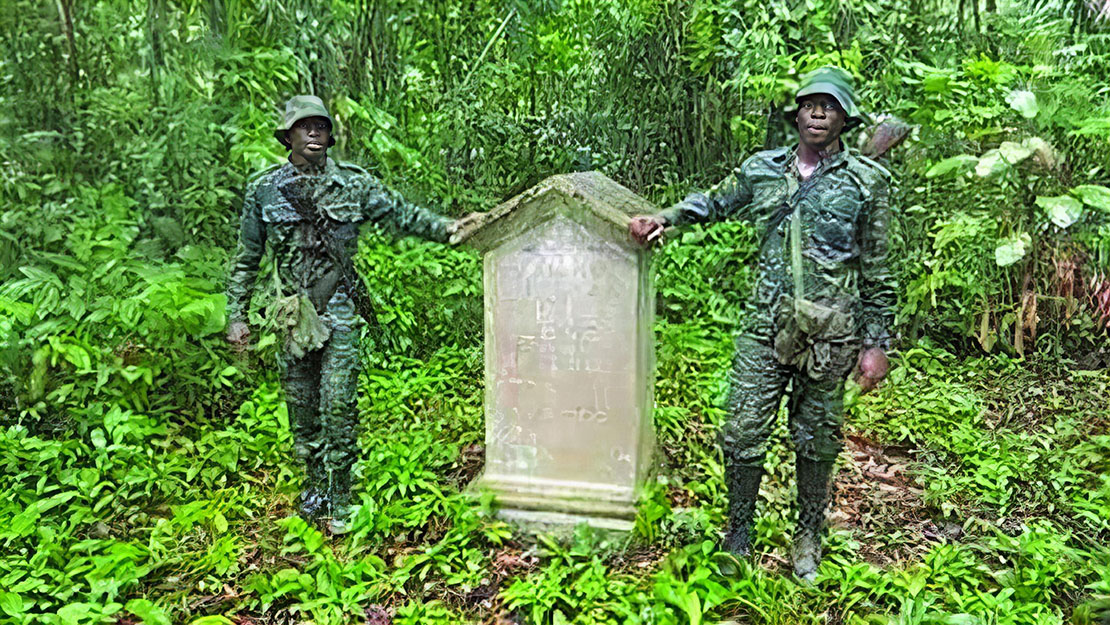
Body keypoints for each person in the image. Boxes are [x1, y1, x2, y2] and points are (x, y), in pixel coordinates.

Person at [629, 67, 896, 581]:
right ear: (796, 113)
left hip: (830, 331)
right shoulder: (763, 168)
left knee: (817, 438)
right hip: (765, 328)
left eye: (830, 106)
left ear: (845, 118)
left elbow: (879, 267)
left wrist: (876, 343)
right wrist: (665, 216)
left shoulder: (868, 182)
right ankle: (740, 532)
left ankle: (808, 535)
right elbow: (713, 200)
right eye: (810, 103)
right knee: (744, 431)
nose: (818, 112)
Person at [225, 95, 478, 534]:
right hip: (290, 315)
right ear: (287, 136)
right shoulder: (264, 189)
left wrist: (451, 229)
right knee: (301, 409)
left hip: (339, 308)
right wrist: (236, 315)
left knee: (338, 404)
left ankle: (340, 496)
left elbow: (401, 214)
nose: (314, 134)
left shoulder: (354, 185)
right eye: (304, 127)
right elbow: (247, 257)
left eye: (321, 127)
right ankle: (315, 486)